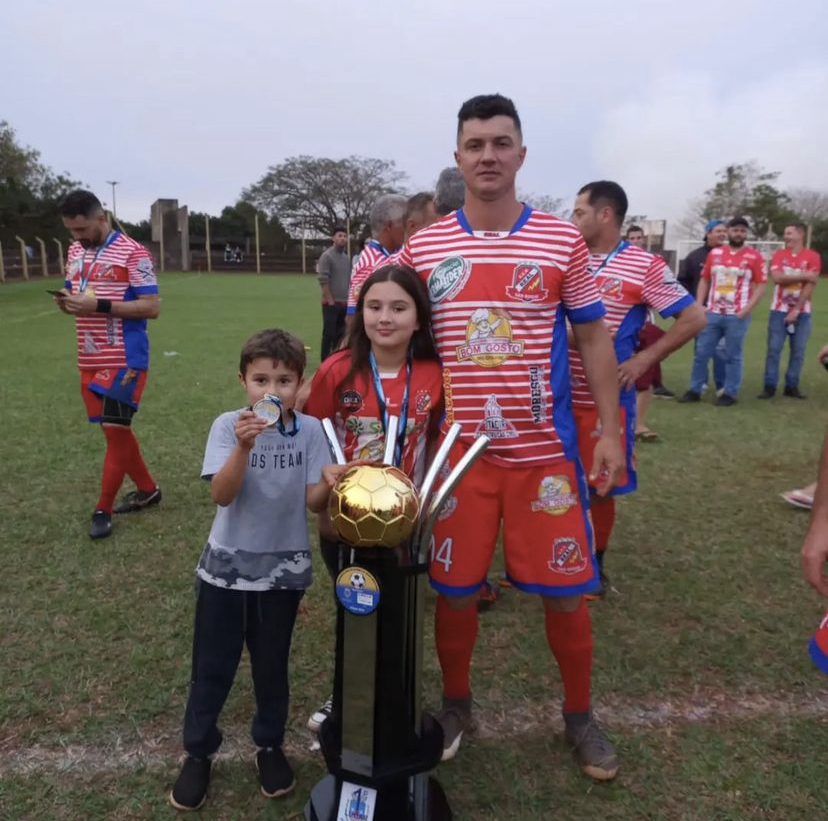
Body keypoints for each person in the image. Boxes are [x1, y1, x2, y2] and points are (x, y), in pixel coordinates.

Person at [397, 94, 625, 779]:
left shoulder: (560, 241)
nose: (488, 154)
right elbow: (388, 331)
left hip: (543, 460)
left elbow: (591, 335)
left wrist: (609, 430)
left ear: (521, 155)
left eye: (501, 142)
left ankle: (579, 714)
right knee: (456, 591)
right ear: (458, 156)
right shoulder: (425, 245)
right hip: (456, 463)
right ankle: (458, 705)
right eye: (475, 144)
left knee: (567, 593)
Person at [168, 328, 347, 811]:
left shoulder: (310, 431)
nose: (272, 391)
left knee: (271, 667)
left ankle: (269, 745)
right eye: (260, 379)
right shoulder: (228, 426)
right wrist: (244, 448)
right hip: (224, 573)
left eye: (284, 381)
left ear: (300, 383)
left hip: (282, 576)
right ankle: (198, 752)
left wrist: (331, 481)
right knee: (212, 668)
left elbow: (313, 503)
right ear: (243, 380)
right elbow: (221, 495)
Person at [303, 265, 444, 732]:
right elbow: (315, 438)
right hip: (345, 524)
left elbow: (439, 442)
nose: (385, 318)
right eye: (374, 306)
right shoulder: (336, 370)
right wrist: (324, 506)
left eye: (399, 308)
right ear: (359, 312)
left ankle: (396, 695)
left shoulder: (433, 375)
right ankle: (345, 695)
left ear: (419, 318)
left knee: (400, 614)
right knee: (354, 610)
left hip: (407, 523)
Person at [570, 181, 705, 596]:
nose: (572, 220)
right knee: (554, 483)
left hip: (604, 400)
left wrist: (646, 359)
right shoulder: (565, 259)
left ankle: (595, 569)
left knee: (599, 486)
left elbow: (694, 318)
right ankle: (556, 560)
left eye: (579, 212)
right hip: (557, 394)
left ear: (605, 215)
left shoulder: (642, 266)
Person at [55, 189, 161, 540]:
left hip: (125, 359)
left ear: (102, 219)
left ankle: (102, 508)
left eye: (83, 230)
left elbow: (151, 307)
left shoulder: (134, 252)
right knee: (113, 432)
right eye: (72, 231)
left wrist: (98, 306)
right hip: (89, 355)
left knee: (116, 431)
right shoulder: (74, 251)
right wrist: (67, 303)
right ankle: (148, 489)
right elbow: (76, 292)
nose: (78, 237)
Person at [679, 217, 767, 406]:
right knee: (701, 352)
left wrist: (746, 310)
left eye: (743, 231)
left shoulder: (754, 257)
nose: (739, 234)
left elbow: (761, 285)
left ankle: (730, 392)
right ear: (728, 232)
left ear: (746, 234)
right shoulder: (715, 254)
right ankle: (695, 389)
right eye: (735, 230)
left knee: (732, 355)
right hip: (713, 312)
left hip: (737, 315)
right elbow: (704, 280)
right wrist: (699, 305)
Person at [758, 222, 822, 399]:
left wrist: (797, 309)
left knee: (798, 351)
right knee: (774, 349)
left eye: (789, 233)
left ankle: (791, 386)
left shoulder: (813, 256)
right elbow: (777, 278)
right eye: (785, 234)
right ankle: (769, 386)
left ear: (800, 234)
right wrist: (803, 275)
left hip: (803, 312)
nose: (786, 237)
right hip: (778, 310)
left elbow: (811, 284)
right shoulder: (779, 255)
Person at [679, 220, 729, 394]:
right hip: (701, 310)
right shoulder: (695, 257)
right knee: (701, 349)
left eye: (724, 231)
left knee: (722, 349)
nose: (722, 234)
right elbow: (682, 282)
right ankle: (701, 382)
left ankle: (722, 384)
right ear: (708, 233)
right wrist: (691, 305)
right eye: (718, 231)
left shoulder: (730, 256)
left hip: (724, 310)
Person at [345, 194, 407, 321]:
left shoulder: (396, 253)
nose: (407, 229)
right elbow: (353, 314)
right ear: (390, 226)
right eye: (404, 223)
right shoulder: (370, 262)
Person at [316, 225, 351, 360]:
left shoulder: (346, 258)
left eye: (344, 236)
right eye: (339, 236)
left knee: (340, 335)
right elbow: (323, 279)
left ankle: (336, 360)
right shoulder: (327, 256)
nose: (342, 239)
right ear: (333, 238)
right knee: (329, 334)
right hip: (331, 303)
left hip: (345, 302)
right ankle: (324, 360)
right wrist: (330, 301)